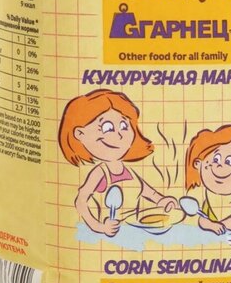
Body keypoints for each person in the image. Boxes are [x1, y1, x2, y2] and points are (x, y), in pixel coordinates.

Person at [59, 89, 178, 237]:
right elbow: (81, 202)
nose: (119, 134)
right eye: (108, 128)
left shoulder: (129, 172)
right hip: (107, 237)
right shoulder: (100, 173)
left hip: (133, 231)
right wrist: (100, 227)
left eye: (124, 126)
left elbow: (149, 192)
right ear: (80, 134)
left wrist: (162, 200)